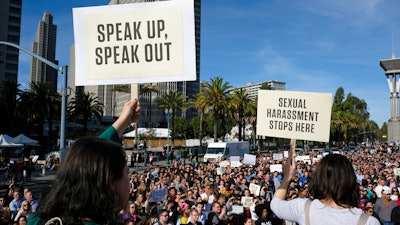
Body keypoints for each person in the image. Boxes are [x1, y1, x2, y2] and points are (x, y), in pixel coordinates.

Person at [27, 99, 141, 225]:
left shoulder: (40, 218)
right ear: (110, 180)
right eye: (126, 174)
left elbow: (87, 161)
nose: (129, 183)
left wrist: (123, 121)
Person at [271, 153, 380, 225]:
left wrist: (287, 177)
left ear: (319, 179)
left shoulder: (303, 209)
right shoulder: (369, 222)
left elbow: (275, 204)